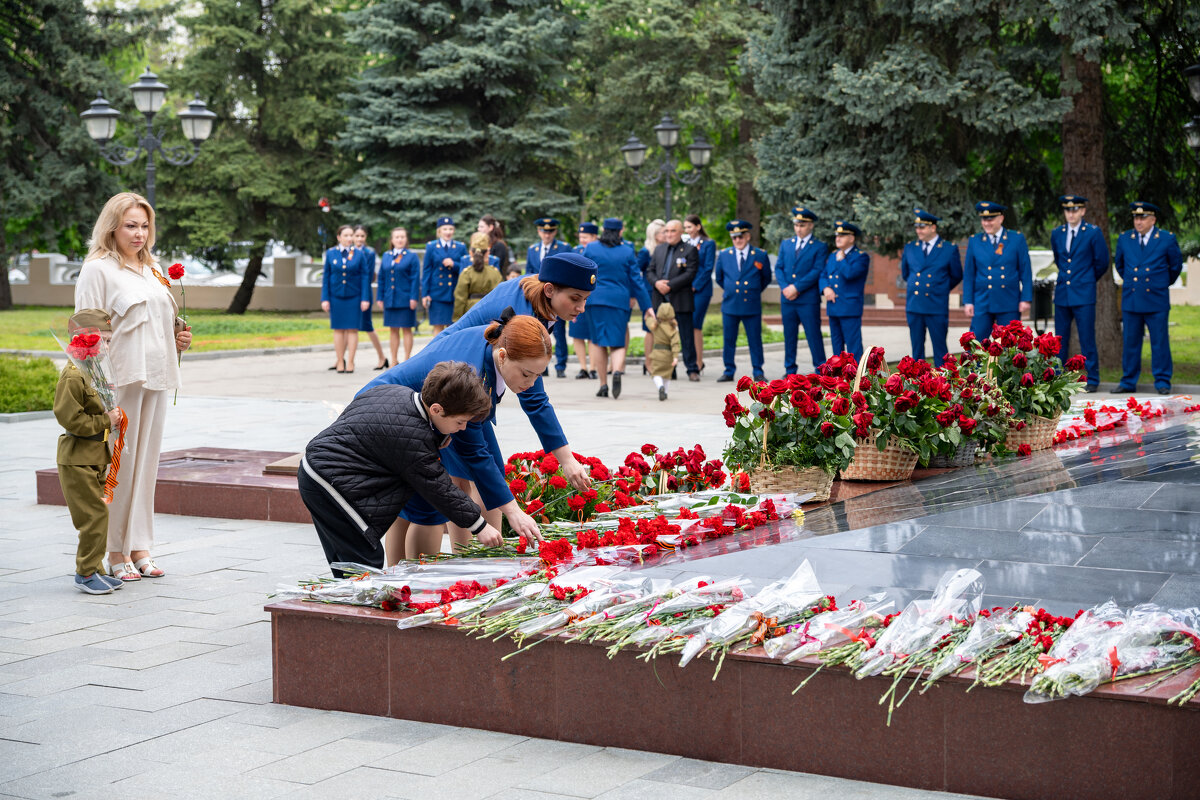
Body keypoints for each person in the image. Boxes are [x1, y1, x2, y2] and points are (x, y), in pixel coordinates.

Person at [360, 314, 550, 558]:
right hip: (389, 417)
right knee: (426, 508)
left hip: (421, 413)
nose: (532, 383)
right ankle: (410, 586)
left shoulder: (498, 345)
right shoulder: (474, 378)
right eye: (526, 374)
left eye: (538, 375)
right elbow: (475, 453)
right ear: (502, 356)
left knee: (434, 498)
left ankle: (439, 572)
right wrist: (514, 512)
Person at [74, 191, 192, 582]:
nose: (139, 233)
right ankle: (113, 549)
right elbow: (85, 333)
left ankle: (140, 545)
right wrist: (99, 392)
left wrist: (179, 339)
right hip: (119, 383)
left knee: (146, 465)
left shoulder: (152, 268)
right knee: (118, 467)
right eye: (131, 225)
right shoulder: (97, 270)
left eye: (144, 226)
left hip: (156, 378)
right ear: (112, 226)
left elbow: (161, 321)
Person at [301, 362, 505, 576]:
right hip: (330, 482)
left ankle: (343, 600)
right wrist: (480, 526)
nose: (463, 429)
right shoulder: (413, 437)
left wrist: (437, 437)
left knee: (350, 564)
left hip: (321, 472)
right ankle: (354, 606)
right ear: (436, 409)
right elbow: (439, 488)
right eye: (460, 422)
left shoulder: (400, 394)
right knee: (362, 564)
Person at [56, 309, 125, 595]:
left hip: (95, 457)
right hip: (78, 460)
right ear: (81, 339)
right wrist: (106, 421)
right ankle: (85, 573)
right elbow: (70, 419)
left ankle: (95, 568)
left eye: (109, 341)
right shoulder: (73, 376)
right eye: (103, 340)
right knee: (93, 516)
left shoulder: (91, 372)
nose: (107, 347)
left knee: (100, 514)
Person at [1114, 201, 1183, 395]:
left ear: (1153, 219)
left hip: (1156, 299)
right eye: (1136, 217)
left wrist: (1159, 283)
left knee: (1159, 342)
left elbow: (1175, 266)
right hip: (1132, 299)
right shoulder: (1125, 238)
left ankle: (1162, 381)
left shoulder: (1167, 239)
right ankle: (1128, 381)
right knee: (1130, 342)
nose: (1138, 221)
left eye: (1143, 217)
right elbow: (1120, 264)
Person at [583, 218, 656, 398]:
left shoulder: (591, 248)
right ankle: (616, 371)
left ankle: (603, 385)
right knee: (617, 342)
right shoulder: (627, 251)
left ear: (603, 230)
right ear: (620, 231)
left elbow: (582, 272)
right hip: (619, 301)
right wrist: (647, 306)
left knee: (598, 341)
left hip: (596, 300)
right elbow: (637, 281)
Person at [1050, 195, 1109, 392]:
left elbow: (1101, 262)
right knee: (1060, 339)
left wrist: (1086, 279)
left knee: (1087, 338)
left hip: (1084, 294)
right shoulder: (1057, 233)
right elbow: (1059, 260)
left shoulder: (1092, 233)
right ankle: (1058, 378)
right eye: (1067, 210)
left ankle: (1092, 378)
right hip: (1062, 294)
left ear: (1082, 211)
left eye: (1075, 209)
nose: (1071, 213)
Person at [962, 201, 1032, 341]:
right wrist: (968, 301)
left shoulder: (1016, 239)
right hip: (982, 301)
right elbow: (969, 274)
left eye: (991, 219)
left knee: (1010, 345)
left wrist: (1026, 298)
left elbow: (1026, 271)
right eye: (984, 219)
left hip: (1008, 300)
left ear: (1001, 218)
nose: (987, 223)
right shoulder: (975, 241)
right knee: (976, 344)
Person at [900, 208, 963, 364]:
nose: (918, 230)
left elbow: (956, 275)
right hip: (914, 305)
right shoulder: (910, 247)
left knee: (940, 349)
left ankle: (943, 383)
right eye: (917, 227)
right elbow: (906, 273)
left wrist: (940, 288)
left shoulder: (948, 248)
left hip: (936, 305)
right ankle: (916, 384)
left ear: (933, 228)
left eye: (922, 227)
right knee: (916, 349)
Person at [714, 219, 771, 382]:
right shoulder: (724, 255)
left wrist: (754, 291)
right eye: (734, 237)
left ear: (747, 236)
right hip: (730, 304)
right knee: (729, 339)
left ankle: (758, 370)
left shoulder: (759, 254)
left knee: (754, 339)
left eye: (740, 236)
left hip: (751, 304)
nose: (737, 240)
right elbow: (719, 278)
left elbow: (765, 278)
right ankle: (729, 370)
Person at [774, 206, 829, 374]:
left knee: (813, 335)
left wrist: (796, 287)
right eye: (796, 225)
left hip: (807, 299)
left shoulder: (819, 246)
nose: (798, 229)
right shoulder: (786, 244)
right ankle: (790, 369)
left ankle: (820, 370)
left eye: (802, 225)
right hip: (787, 299)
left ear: (811, 225)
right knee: (789, 336)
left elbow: (817, 270)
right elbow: (779, 268)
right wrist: (785, 288)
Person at [644, 219, 699, 380]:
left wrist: (670, 285)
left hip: (680, 299)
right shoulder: (659, 249)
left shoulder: (690, 250)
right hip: (660, 300)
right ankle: (669, 370)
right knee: (663, 337)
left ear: (681, 232)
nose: (669, 234)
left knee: (686, 336)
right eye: (666, 231)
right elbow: (650, 271)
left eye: (672, 231)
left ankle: (692, 369)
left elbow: (690, 273)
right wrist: (657, 283)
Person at [320, 224, 371, 373]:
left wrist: (365, 298)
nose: (350, 238)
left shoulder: (359, 254)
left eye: (351, 235)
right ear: (339, 237)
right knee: (338, 330)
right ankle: (339, 360)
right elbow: (326, 278)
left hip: (354, 297)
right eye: (346, 236)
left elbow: (364, 277)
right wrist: (325, 299)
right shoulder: (331, 254)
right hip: (336, 297)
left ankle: (350, 361)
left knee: (352, 330)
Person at [527, 218, 573, 376]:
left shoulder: (563, 248)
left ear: (555, 232)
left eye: (550, 231)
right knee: (539, 332)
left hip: (556, 295)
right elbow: (528, 273)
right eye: (544, 231)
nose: (547, 235)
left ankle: (560, 366)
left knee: (559, 332)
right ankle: (542, 367)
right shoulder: (532, 249)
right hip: (538, 297)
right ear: (539, 231)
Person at [819, 220, 870, 362]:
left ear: (851, 238)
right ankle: (839, 380)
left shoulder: (860, 256)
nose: (838, 238)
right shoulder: (833, 255)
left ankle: (858, 379)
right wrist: (826, 288)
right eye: (837, 236)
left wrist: (842, 261)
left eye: (842, 236)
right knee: (837, 349)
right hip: (834, 307)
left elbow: (850, 274)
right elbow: (823, 275)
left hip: (849, 308)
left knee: (853, 349)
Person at [378, 227, 421, 364]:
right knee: (393, 330)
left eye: (402, 237)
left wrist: (414, 297)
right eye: (397, 237)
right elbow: (381, 278)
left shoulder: (411, 256)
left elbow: (415, 279)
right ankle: (394, 361)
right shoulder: (386, 256)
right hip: (390, 299)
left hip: (406, 299)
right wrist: (380, 297)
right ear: (392, 240)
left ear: (406, 239)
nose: (400, 239)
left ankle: (407, 360)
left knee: (407, 329)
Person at [421, 216, 466, 334]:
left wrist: (454, 264)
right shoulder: (431, 246)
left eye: (450, 229)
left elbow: (466, 268)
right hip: (436, 293)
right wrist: (425, 294)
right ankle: (438, 352)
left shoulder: (460, 247)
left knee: (454, 328)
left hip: (455, 293)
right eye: (445, 229)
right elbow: (427, 270)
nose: (448, 232)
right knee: (438, 328)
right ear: (439, 231)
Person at [683, 214, 716, 374]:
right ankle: (690, 360)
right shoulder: (685, 243)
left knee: (696, 324)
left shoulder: (708, 244)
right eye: (686, 227)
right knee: (687, 324)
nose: (687, 230)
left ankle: (698, 361)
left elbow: (708, 267)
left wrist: (695, 286)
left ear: (698, 226)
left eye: (690, 227)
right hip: (685, 288)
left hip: (701, 289)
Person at [354, 225, 387, 370]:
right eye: (357, 236)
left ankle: (382, 357)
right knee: (346, 328)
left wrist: (364, 297)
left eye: (362, 236)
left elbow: (367, 276)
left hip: (363, 293)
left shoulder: (369, 253)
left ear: (365, 237)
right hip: (348, 295)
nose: (359, 239)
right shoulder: (347, 252)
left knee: (367, 326)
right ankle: (342, 360)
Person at [636, 219, 666, 373]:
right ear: (654, 235)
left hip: (665, 294)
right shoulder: (645, 251)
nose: (666, 234)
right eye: (663, 232)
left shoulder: (668, 249)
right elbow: (636, 272)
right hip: (649, 294)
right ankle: (648, 363)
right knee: (650, 329)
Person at [570, 222, 600, 378]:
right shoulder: (576, 251)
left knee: (593, 334)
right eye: (581, 237)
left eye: (586, 237)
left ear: (594, 237)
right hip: (576, 298)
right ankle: (583, 367)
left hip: (593, 298)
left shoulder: (599, 251)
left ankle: (594, 368)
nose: (582, 240)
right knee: (578, 333)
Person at [453, 232, 502, 320]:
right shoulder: (495, 273)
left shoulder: (466, 273)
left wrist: (457, 319)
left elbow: (460, 298)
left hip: (470, 312)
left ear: (470, 253)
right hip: (490, 313)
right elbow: (500, 297)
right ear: (487, 253)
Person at [646, 302, 680, 401]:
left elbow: (647, 320)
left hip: (657, 354)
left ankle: (660, 386)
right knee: (667, 375)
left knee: (656, 373)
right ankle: (665, 391)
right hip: (668, 356)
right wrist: (675, 357)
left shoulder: (655, 326)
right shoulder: (673, 330)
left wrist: (648, 314)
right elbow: (675, 344)